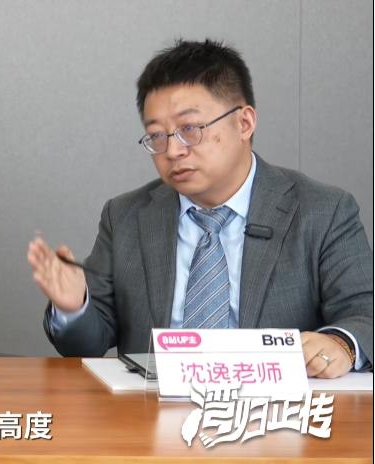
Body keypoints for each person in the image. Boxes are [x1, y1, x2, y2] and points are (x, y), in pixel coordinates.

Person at [27, 39, 372, 379]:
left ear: (244, 123)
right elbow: (86, 343)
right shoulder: (126, 216)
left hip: (279, 409)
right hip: (150, 409)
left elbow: (365, 312)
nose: (173, 151)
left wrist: (340, 344)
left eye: (189, 129)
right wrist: (75, 307)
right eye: (157, 136)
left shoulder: (322, 211)